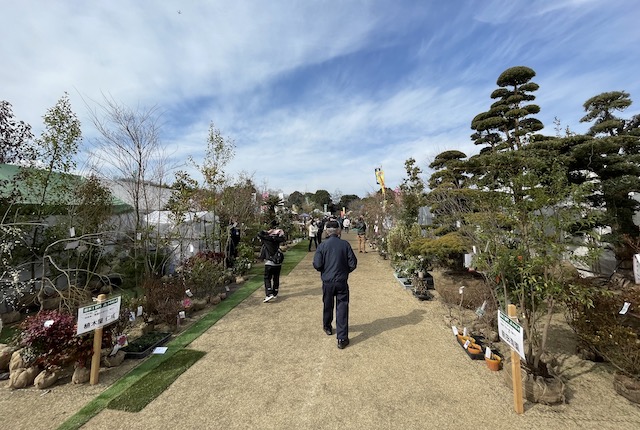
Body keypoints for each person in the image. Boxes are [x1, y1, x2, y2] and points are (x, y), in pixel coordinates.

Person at [312, 220, 358, 349]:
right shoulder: (345, 245)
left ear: (327, 231)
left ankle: (327, 326)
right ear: (338, 231)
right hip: (341, 280)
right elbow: (352, 264)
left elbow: (317, 264)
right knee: (342, 306)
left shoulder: (322, 246)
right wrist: (344, 271)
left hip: (327, 280)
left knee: (328, 304)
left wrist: (325, 271)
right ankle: (342, 338)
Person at [258, 220, 286, 303]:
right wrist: (277, 232)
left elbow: (260, 234)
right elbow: (283, 238)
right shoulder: (277, 239)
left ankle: (269, 293)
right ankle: (275, 292)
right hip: (278, 262)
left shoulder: (267, 239)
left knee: (267, 278)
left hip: (269, 262)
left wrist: (267, 232)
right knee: (276, 278)